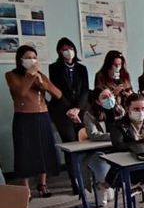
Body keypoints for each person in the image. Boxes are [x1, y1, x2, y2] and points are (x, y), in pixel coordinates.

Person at [5, 45, 62, 197]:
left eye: (34, 57)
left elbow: (58, 94)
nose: (32, 60)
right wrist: (30, 76)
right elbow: (21, 93)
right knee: (25, 152)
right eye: (28, 58)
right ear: (20, 59)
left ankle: (42, 184)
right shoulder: (11, 75)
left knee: (44, 151)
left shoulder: (40, 75)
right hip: (24, 118)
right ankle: (26, 189)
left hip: (43, 116)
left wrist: (43, 84)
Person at [48, 37, 89, 194]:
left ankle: (86, 178)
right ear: (59, 51)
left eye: (70, 48)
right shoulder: (54, 68)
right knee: (70, 144)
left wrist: (77, 108)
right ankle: (75, 182)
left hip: (80, 110)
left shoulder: (81, 68)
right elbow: (57, 92)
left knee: (84, 141)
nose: (68, 51)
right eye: (64, 49)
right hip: (62, 111)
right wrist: (69, 109)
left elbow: (85, 90)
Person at [83, 87, 125, 205]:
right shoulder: (89, 115)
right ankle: (102, 186)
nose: (109, 99)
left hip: (116, 149)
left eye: (110, 96)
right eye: (104, 97)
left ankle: (107, 184)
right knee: (102, 169)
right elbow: (93, 135)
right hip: (98, 152)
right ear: (97, 101)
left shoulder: (119, 110)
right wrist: (113, 135)